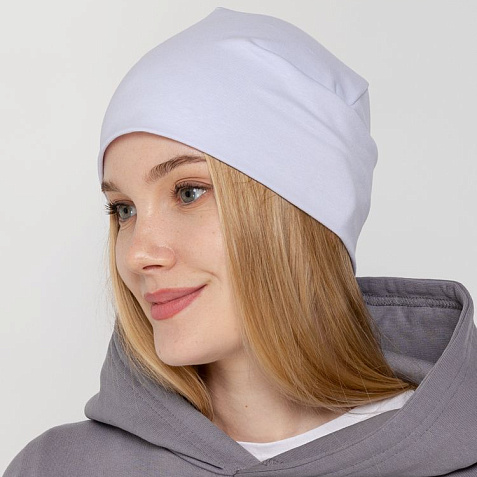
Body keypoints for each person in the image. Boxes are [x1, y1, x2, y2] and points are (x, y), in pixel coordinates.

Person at [4, 6, 477, 477]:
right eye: (123, 210)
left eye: (189, 192)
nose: (137, 254)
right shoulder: (54, 468)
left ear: (299, 214)